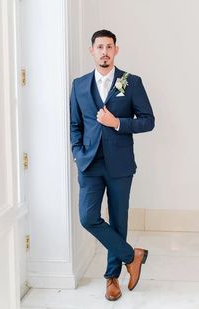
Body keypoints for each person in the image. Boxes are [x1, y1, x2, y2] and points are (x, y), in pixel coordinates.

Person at [70, 29, 155, 301]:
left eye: (109, 47)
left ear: (116, 50)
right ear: (91, 51)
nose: (104, 52)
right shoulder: (79, 85)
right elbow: (75, 125)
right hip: (90, 163)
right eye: (99, 47)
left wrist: (117, 123)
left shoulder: (131, 82)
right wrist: (77, 153)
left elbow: (148, 120)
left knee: (119, 221)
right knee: (88, 217)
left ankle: (111, 279)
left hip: (120, 165)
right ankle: (133, 256)